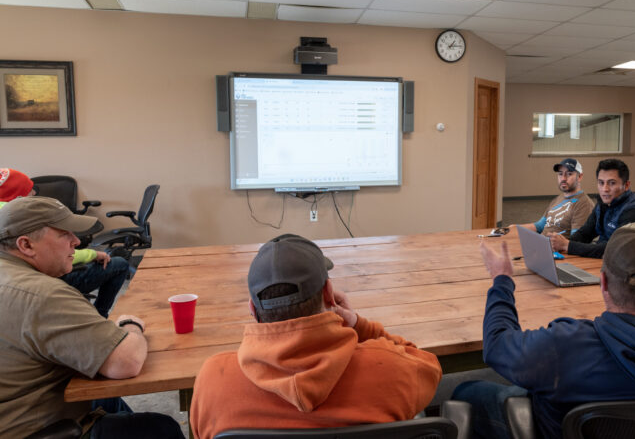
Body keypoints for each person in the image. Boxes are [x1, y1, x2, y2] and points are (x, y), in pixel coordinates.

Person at [453, 223, 635, 439]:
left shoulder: (564, 349)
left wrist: (502, 280)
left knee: (468, 391)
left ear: (602, 282)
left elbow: (497, 343)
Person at [190, 234, 442, 439]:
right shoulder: (390, 368)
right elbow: (430, 368)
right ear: (329, 294)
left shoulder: (213, 380)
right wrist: (358, 325)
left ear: (252, 309)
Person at [0, 196, 183, 438]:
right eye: (64, 234)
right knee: (161, 429)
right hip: (33, 427)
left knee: (108, 400)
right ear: (26, 245)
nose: (75, 242)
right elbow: (126, 362)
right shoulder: (43, 294)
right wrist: (131, 325)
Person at [0, 168, 129, 317]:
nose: (34, 193)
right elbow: (53, 255)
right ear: (17, 197)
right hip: (50, 279)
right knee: (120, 264)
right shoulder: (23, 218)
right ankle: (101, 315)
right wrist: (93, 254)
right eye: (29, 190)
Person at [549, 158, 635, 258]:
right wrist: (560, 243)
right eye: (601, 183)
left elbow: (613, 249)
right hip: (607, 260)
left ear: (626, 185)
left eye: (612, 183)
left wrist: (567, 245)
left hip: (624, 265)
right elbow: (585, 233)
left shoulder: (634, 211)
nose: (605, 189)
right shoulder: (603, 203)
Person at [516, 158, 594, 236]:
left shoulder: (584, 204)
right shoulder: (558, 199)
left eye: (569, 174)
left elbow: (576, 241)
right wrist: (515, 228)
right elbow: (540, 226)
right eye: (560, 174)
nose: (563, 178)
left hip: (554, 247)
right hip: (540, 242)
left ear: (580, 177)